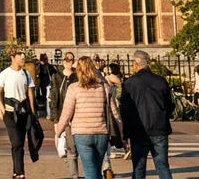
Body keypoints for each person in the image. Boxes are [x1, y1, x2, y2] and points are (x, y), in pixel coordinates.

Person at [54, 56, 122, 179]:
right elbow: (114, 113)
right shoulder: (104, 87)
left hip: (81, 132)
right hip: (101, 132)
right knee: (97, 168)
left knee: (89, 168)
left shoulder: (74, 88)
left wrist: (59, 130)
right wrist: (121, 132)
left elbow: (66, 113)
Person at [120, 50, 173, 179]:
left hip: (138, 130)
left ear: (136, 64)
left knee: (138, 168)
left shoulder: (129, 83)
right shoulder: (161, 81)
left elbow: (125, 111)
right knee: (163, 167)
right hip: (160, 128)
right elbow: (170, 105)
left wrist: (125, 134)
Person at [0, 48, 36, 179]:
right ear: (13, 57)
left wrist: (33, 113)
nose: (23, 57)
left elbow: (30, 93)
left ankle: (15, 171)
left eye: (23, 55)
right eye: (20, 55)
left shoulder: (26, 74)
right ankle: (20, 172)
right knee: (16, 141)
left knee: (18, 143)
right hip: (10, 112)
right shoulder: (4, 74)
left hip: (23, 112)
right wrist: (1, 109)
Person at [49, 52, 80, 179]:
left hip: (76, 115)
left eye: (71, 59)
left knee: (76, 146)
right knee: (67, 147)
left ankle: (76, 173)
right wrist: (55, 118)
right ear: (63, 61)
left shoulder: (77, 76)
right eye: (66, 59)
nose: (68, 61)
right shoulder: (56, 76)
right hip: (63, 113)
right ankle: (74, 173)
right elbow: (54, 97)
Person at [38, 53, 53, 117]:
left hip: (46, 84)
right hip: (42, 84)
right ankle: (47, 113)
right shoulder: (40, 66)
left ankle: (48, 113)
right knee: (44, 98)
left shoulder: (48, 66)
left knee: (47, 98)